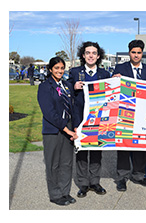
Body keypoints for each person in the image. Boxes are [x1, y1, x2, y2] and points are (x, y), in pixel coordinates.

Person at [112, 39, 146, 191]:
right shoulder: (120, 68)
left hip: (144, 116)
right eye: (133, 52)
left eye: (139, 52)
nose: (136, 55)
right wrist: (114, 80)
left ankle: (138, 175)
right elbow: (113, 90)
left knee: (141, 147)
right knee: (124, 146)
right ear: (129, 53)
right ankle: (122, 177)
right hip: (125, 114)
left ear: (142, 53)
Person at [68, 41, 110, 198]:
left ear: (98, 56)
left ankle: (95, 182)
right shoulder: (74, 72)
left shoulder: (105, 74)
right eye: (88, 53)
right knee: (81, 152)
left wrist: (118, 80)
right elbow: (66, 90)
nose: (91, 55)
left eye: (94, 53)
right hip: (80, 119)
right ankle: (83, 184)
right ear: (83, 55)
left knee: (96, 152)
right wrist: (73, 87)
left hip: (99, 120)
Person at [37, 56, 78, 206]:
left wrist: (74, 127)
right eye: (56, 68)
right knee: (53, 163)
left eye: (62, 68)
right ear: (50, 70)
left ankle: (65, 192)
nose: (60, 71)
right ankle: (55, 194)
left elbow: (72, 107)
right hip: (53, 130)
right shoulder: (45, 87)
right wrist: (66, 129)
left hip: (68, 127)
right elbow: (49, 112)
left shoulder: (67, 85)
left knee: (67, 163)